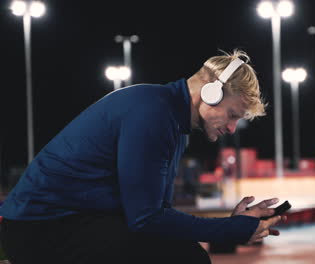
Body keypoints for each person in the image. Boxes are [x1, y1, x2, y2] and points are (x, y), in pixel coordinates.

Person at [0, 49, 286, 264]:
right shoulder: (153, 113)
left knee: (180, 253)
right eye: (232, 114)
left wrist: (231, 224)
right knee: (184, 257)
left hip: (72, 223)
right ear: (210, 93)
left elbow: (157, 214)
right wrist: (229, 230)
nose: (233, 127)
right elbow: (146, 219)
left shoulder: (173, 125)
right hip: (40, 231)